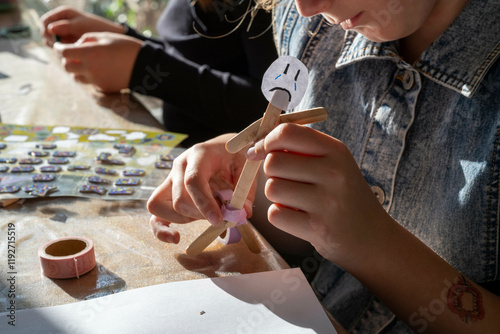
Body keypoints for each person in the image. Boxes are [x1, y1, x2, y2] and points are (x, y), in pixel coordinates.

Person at [147, 0, 500, 332]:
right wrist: (248, 177)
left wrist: (373, 245)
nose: (306, 7)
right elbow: (308, 239)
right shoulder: (313, 26)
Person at [40, 0, 277, 145]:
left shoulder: (269, 6)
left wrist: (143, 66)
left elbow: (270, 106)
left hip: (227, 193)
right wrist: (125, 38)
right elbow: (195, 57)